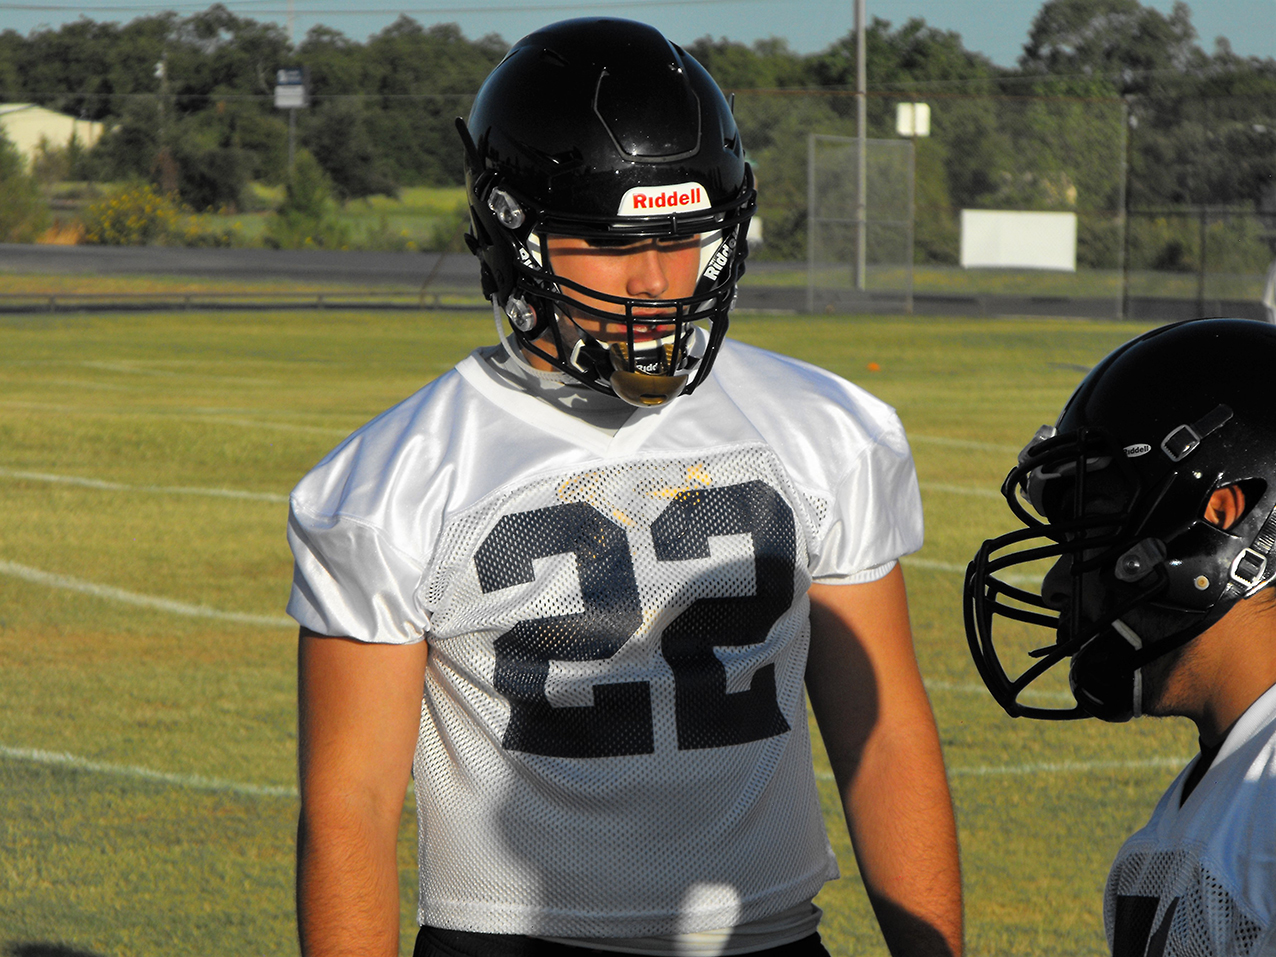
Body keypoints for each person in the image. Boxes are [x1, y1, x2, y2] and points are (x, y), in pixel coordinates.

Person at [289, 18, 961, 957]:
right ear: (515, 235)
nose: (654, 281)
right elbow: (351, 808)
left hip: (769, 941)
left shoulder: (824, 430)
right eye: (611, 242)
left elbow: (883, 738)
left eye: (684, 236)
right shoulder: (397, 478)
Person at [965, 317, 1276, 957]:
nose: (1055, 584)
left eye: (1095, 529)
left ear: (1222, 515)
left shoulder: (1263, 816)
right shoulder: (1207, 804)